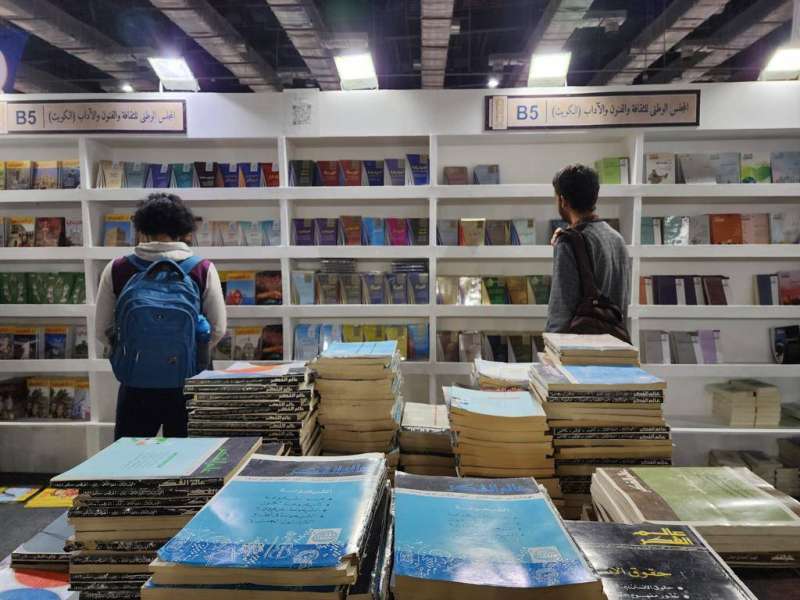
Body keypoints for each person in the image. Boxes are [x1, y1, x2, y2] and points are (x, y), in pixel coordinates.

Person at [95, 193, 226, 439]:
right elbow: (217, 328)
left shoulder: (118, 268)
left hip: (136, 381)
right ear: (184, 229)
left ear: (141, 228)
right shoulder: (202, 268)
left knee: (130, 456)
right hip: (189, 382)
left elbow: (102, 330)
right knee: (189, 458)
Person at [546, 164, 630, 333]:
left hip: (580, 344)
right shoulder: (616, 238)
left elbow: (561, 311)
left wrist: (551, 344)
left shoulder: (569, 243)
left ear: (563, 200)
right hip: (614, 341)